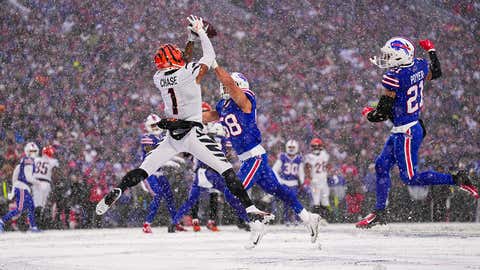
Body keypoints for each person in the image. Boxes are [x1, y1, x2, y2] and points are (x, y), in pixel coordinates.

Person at [96, 15, 272, 247]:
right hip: (192, 133)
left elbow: (182, 60)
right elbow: (208, 57)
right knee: (227, 171)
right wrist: (200, 33)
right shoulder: (187, 72)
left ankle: (119, 188)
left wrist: (189, 40)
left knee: (143, 169)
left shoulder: (159, 77)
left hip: (172, 136)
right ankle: (250, 208)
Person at [356, 37, 479, 228]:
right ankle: (379, 211)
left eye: (390, 55)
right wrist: (431, 50)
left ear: (401, 57)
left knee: (410, 178)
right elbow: (436, 72)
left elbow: (380, 115)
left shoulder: (393, 76)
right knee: (381, 165)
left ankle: (457, 179)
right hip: (409, 126)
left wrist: (367, 113)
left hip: (406, 131)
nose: (386, 58)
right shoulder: (419, 65)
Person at [202, 63, 321, 243]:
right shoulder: (224, 105)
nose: (224, 87)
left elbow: (231, 86)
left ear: (239, 86)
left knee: (231, 192)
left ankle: (256, 222)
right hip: (249, 158)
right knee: (278, 190)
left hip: (254, 156)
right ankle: (307, 217)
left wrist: (216, 66)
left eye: (229, 85)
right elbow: (207, 116)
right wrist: (184, 118)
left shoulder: (246, 99)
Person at [172, 102, 250, 232]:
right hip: (206, 169)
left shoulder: (214, 129)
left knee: (202, 197)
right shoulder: (200, 129)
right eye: (201, 113)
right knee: (229, 193)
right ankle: (245, 220)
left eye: (205, 113)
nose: (203, 116)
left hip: (210, 169)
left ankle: (177, 222)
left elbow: (227, 149)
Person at [139, 113, 186, 234]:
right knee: (158, 195)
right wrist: (169, 162)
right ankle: (147, 223)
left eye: (156, 125)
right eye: (152, 125)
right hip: (149, 172)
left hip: (159, 173)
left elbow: (165, 154)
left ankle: (175, 222)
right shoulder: (147, 138)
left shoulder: (161, 137)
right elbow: (153, 157)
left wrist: (175, 159)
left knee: (169, 196)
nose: (155, 128)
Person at [0, 142, 41, 233]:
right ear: (27, 151)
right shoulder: (28, 160)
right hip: (22, 187)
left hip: (23, 187)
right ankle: (1, 221)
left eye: (34, 151)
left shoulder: (24, 161)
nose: (33, 153)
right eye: (31, 151)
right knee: (19, 209)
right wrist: (37, 182)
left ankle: (33, 227)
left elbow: (16, 173)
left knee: (31, 206)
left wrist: (14, 188)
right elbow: (28, 177)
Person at [272, 140, 305, 225]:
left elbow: (301, 171)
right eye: (290, 147)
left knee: (294, 202)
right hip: (284, 182)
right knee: (286, 203)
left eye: (293, 147)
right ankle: (286, 219)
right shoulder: (282, 157)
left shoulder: (298, 158)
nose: (291, 149)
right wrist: (279, 180)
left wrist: (302, 181)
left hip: (294, 183)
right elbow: (274, 170)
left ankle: (296, 219)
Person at [32, 145, 59, 229]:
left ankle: (36, 225)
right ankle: (38, 224)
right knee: (42, 205)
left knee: (37, 204)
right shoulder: (53, 161)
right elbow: (55, 173)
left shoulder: (36, 159)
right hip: (46, 183)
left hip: (36, 182)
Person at [304, 138, 331, 219]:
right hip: (315, 181)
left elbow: (328, 166)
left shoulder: (324, 154)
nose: (316, 148)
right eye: (314, 146)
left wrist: (328, 173)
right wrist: (309, 178)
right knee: (316, 201)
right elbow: (307, 168)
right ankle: (316, 219)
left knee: (325, 200)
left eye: (318, 146)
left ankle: (324, 218)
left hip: (323, 180)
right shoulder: (309, 157)